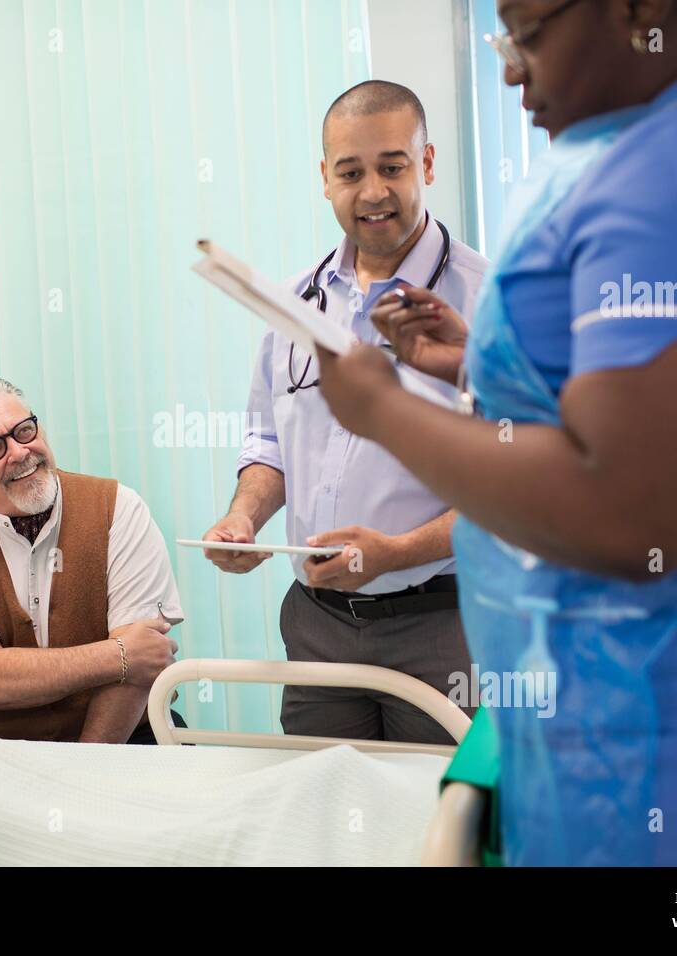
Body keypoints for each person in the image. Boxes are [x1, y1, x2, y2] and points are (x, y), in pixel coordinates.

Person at [314, 0, 677, 864]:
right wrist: (481, 370)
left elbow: (636, 508)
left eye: (525, 34)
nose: (509, 69)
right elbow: (674, 409)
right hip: (654, 700)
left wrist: (384, 408)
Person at [203, 80, 489, 744]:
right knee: (321, 815)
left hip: (444, 624)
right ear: (325, 178)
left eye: (392, 166)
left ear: (427, 164)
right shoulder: (293, 305)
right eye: (351, 172)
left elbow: (516, 484)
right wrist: (244, 519)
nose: (373, 192)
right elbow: (269, 443)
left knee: (437, 829)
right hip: (317, 624)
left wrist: (397, 553)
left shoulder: (487, 300)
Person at [0, 377, 184, 743]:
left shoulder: (119, 508)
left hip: (118, 742)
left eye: (24, 431)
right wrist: (120, 655)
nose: (20, 452)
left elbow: (142, 670)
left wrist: (82, 778)